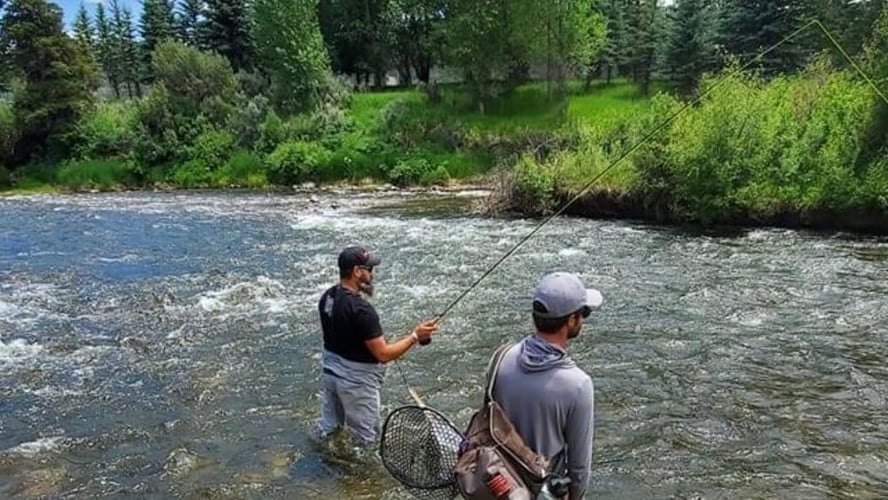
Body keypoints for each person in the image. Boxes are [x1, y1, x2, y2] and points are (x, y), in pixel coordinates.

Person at [491, 271, 602, 500]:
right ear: (571, 320)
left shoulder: (501, 357)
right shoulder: (578, 385)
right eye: (583, 313)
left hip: (497, 487)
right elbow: (579, 469)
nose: (583, 320)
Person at [316, 245, 438, 447]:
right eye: (369, 269)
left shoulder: (328, 297)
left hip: (331, 374)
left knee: (329, 431)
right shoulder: (361, 310)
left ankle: (325, 469)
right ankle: (360, 477)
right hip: (356, 384)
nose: (372, 274)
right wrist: (416, 335)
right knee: (366, 441)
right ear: (356, 271)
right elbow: (383, 354)